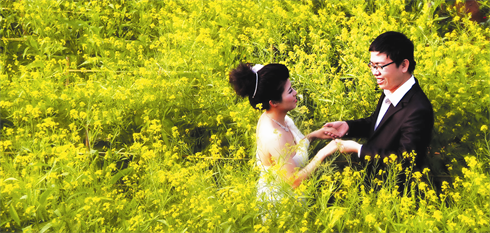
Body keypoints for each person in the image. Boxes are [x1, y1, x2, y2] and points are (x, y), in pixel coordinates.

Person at [325, 31, 434, 175]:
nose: (374, 72)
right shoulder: (392, 89)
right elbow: (381, 124)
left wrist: (359, 150)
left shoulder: (418, 110)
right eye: (372, 65)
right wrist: (349, 126)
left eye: (380, 66)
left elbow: (405, 162)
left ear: (403, 65)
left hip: (392, 190)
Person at [228, 63, 338, 203]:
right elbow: (293, 181)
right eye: (290, 91)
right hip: (281, 206)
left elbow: (293, 151)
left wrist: (314, 135)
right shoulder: (274, 137)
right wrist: (324, 153)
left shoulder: (281, 119)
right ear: (274, 102)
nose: (296, 93)